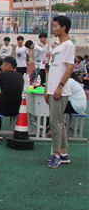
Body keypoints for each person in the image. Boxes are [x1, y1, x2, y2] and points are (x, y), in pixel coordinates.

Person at [45, 15, 75, 169]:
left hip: (59, 91)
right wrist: (47, 89)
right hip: (52, 90)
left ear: (63, 27)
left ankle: (56, 155)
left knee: (55, 124)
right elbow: (51, 70)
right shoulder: (57, 47)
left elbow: (70, 67)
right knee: (59, 124)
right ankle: (63, 153)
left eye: (55, 25)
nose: (53, 28)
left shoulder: (69, 45)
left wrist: (60, 86)